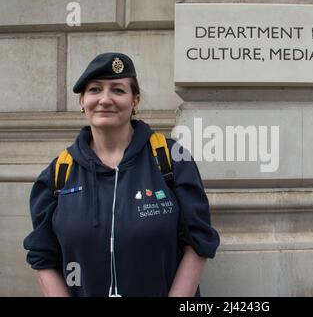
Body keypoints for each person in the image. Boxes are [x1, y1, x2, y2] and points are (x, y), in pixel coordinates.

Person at [23, 52, 220, 297]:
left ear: (135, 101)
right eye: (95, 90)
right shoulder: (59, 173)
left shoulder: (170, 158)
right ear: (82, 101)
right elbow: (43, 257)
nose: (105, 99)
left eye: (118, 90)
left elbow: (198, 241)